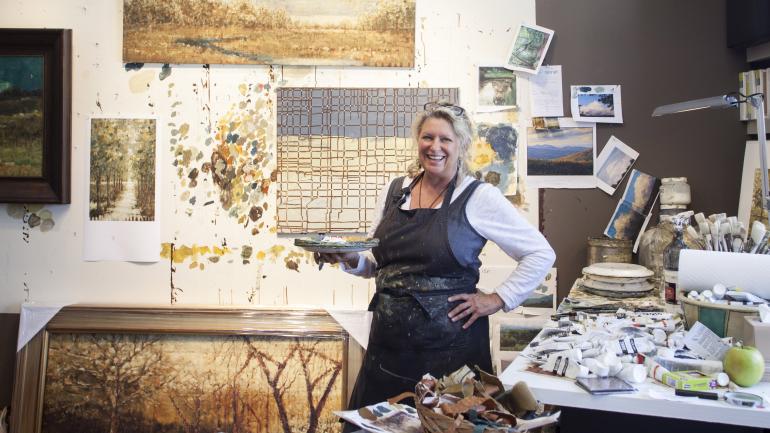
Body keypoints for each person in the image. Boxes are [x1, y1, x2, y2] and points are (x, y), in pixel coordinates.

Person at [316, 101, 555, 414]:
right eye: (427, 137)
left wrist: (498, 298)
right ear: (418, 141)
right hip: (387, 351)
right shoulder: (394, 192)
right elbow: (379, 264)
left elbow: (540, 253)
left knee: (443, 426)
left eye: (445, 139)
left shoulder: (478, 197)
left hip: (450, 356)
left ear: (462, 145)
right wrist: (349, 258)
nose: (435, 147)